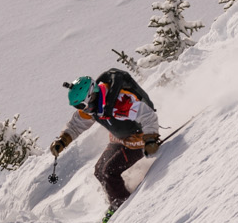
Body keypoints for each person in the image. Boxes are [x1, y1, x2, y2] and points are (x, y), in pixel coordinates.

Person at [50, 68, 160, 211]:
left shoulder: (120, 102)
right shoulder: (93, 108)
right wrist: (62, 140)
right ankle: (116, 197)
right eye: (77, 107)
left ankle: (123, 207)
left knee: (110, 172)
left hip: (137, 141)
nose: (81, 109)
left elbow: (147, 115)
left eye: (81, 105)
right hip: (119, 139)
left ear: (91, 96)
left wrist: (151, 138)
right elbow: (77, 124)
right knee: (99, 170)